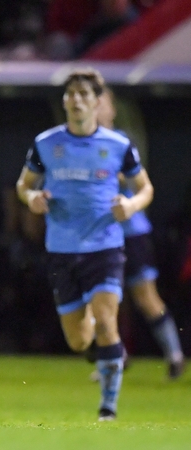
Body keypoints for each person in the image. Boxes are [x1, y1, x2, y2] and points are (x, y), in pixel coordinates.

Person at [16, 68, 154, 421]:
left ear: (97, 102)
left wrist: (130, 206)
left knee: (108, 322)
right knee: (78, 340)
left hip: (105, 246)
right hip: (61, 250)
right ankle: (96, 335)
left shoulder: (118, 145)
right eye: (71, 94)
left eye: (83, 94)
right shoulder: (46, 143)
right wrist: (32, 198)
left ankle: (108, 408)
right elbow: (23, 185)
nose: (76, 99)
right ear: (65, 100)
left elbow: (145, 189)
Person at [96, 88, 185, 379]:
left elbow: (139, 184)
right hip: (100, 234)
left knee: (146, 297)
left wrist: (110, 177)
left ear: (111, 109)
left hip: (131, 233)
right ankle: (114, 357)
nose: (95, 109)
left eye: (101, 103)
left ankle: (174, 354)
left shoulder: (121, 143)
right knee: (106, 300)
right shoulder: (78, 146)